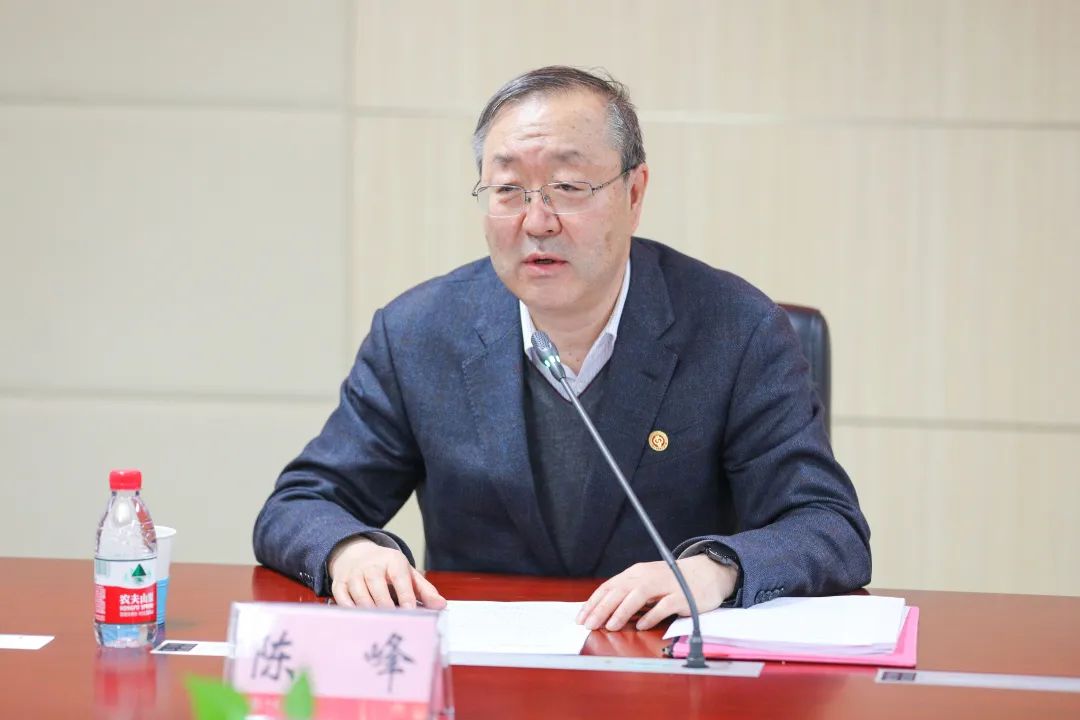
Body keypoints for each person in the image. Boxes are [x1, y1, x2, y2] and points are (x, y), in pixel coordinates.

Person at [253, 66, 871, 632]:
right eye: (508, 190)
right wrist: (350, 551)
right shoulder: (419, 333)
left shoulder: (735, 329)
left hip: (663, 668)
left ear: (634, 194)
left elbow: (829, 525)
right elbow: (300, 504)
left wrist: (716, 569)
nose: (537, 221)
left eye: (569, 186)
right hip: (483, 674)